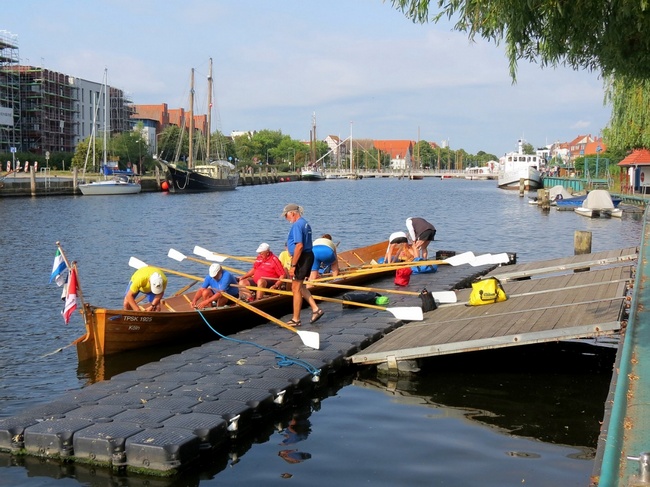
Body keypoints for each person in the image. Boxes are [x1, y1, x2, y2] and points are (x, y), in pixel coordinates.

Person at [282, 203, 324, 327]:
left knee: (295, 289)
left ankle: (296, 319)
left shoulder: (297, 225)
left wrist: (293, 265)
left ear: (293, 213)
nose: (286, 218)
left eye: (286, 215)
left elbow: (299, 246)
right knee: (300, 287)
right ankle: (316, 309)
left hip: (302, 258)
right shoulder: (305, 223)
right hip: (307, 256)